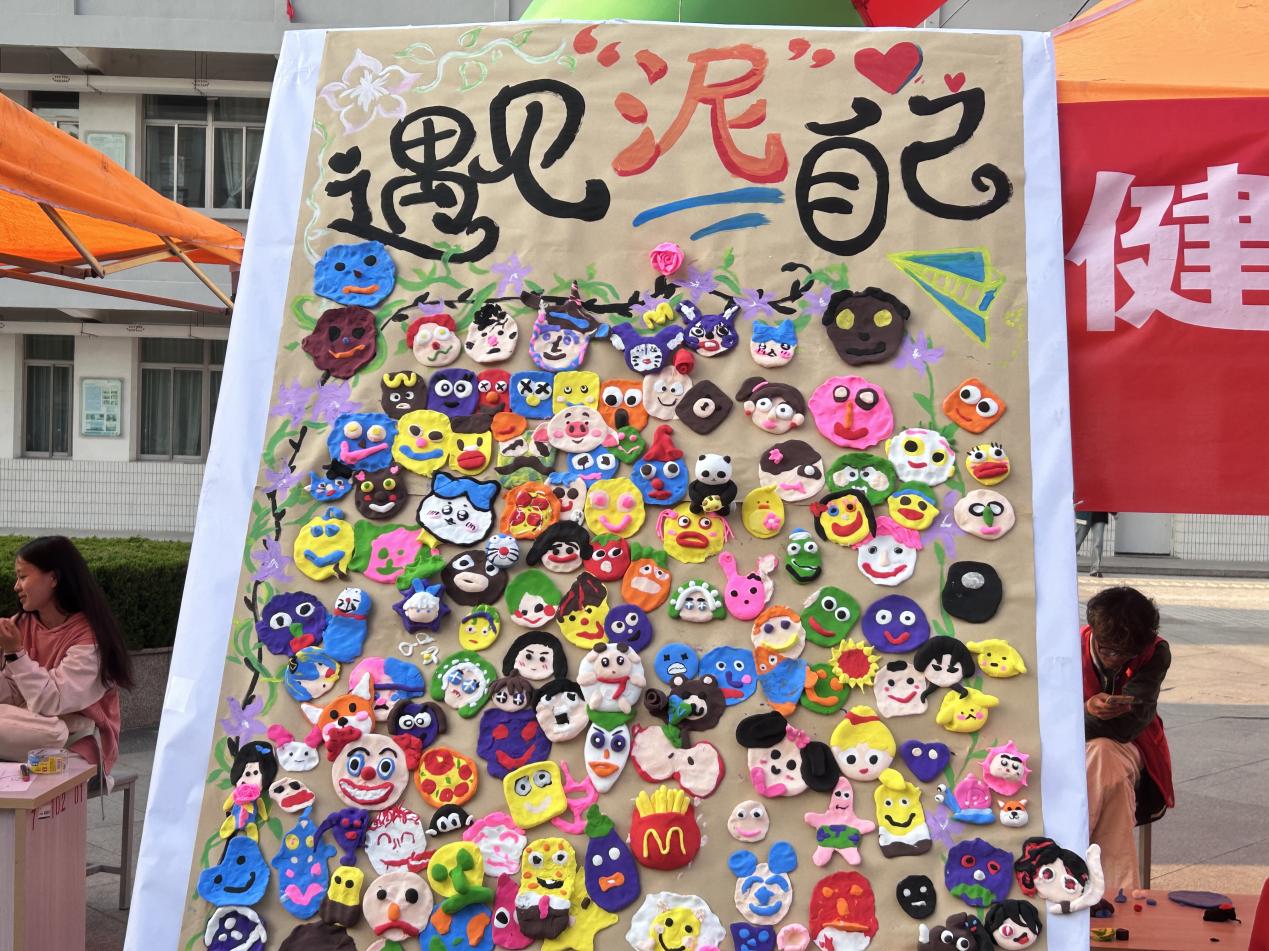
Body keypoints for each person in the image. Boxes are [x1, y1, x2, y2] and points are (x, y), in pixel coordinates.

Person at [0, 536, 132, 779]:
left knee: (53, 732)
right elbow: (12, 691)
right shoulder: (21, 624)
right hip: (27, 726)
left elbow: (52, 701)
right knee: (50, 729)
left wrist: (16, 654)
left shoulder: (90, 638)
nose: (16, 586)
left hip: (77, 741)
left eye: (23, 576)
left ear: (53, 578)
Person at [1083, 586, 1174, 896]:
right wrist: (1085, 710)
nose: (1114, 660)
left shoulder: (1156, 652)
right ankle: (1118, 893)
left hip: (1134, 745)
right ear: (1093, 632)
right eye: (1107, 650)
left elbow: (1129, 725)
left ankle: (1070, 850)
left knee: (1103, 753)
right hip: (1078, 748)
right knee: (1108, 775)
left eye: (1124, 654)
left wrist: (1078, 720)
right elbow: (1047, 718)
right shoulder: (1069, 646)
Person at [1075, 510, 1112, 577]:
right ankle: (1065, 565)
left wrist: (1114, 512)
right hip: (1083, 513)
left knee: (1098, 543)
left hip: (1100, 515)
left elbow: (1108, 502)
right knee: (1076, 542)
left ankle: (1095, 570)